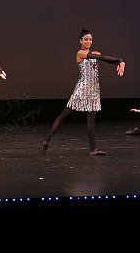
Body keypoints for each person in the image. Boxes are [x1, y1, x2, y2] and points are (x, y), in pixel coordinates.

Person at [42, 27, 125, 156]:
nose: (88, 41)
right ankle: (47, 140)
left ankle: (93, 149)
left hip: (94, 90)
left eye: (90, 39)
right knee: (65, 113)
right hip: (82, 88)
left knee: (91, 117)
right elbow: (100, 57)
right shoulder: (80, 53)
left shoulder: (95, 52)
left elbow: (104, 58)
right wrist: (119, 59)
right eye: (86, 39)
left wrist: (120, 63)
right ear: (80, 41)